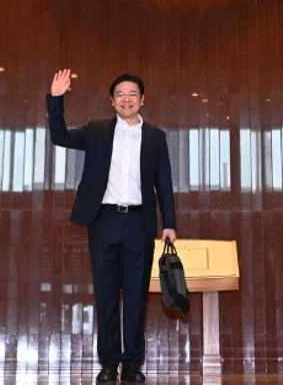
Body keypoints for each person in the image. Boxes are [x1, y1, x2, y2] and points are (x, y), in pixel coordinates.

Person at [47, 69, 178, 383]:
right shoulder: (97, 131)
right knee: (106, 295)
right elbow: (60, 136)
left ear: (142, 99)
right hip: (103, 221)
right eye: (120, 94)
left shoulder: (156, 138)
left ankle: (132, 365)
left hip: (139, 223)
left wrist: (169, 223)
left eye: (132, 94)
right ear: (112, 101)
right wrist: (55, 99)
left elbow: (164, 183)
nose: (126, 99)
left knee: (135, 296)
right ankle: (108, 364)